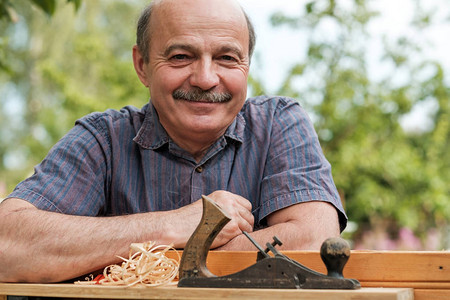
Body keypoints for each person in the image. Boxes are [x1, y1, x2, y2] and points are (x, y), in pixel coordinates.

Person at [0, 0, 346, 283]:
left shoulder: (279, 123)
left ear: (247, 66)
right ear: (142, 66)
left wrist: (148, 258)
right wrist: (172, 224)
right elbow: (7, 246)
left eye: (227, 57)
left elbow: (315, 243)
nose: (206, 78)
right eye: (181, 56)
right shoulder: (102, 139)